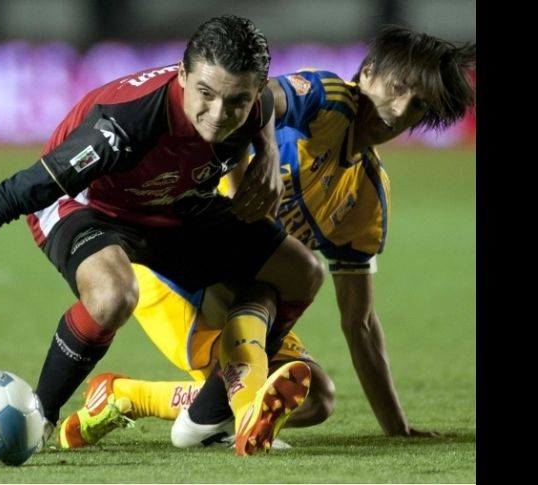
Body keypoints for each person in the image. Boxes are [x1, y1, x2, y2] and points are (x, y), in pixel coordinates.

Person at [0, 15, 326, 457]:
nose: (219, 114)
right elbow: (16, 192)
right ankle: (41, 417)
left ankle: (210, 416)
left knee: (300, 272)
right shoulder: (123, 127)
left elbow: (265, 103)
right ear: (181, 76)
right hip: (90, 208)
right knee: (114, 295)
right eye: (206, 94)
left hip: (173, 205)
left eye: (236, 100)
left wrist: (264, 153)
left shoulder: (248, 99)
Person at [57, 25, 477, 449]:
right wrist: (259, 164)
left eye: (419, 105)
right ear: (366, 73)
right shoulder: (324, 97)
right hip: (174, 270)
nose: (401, 108)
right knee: (266, 296)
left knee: (316, 399)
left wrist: (397, 428)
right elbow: (259, 100)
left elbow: (361, 321)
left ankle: (127, 397)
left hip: (246, 301)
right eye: (398, 87)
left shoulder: (366, 194)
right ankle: (228, 417)